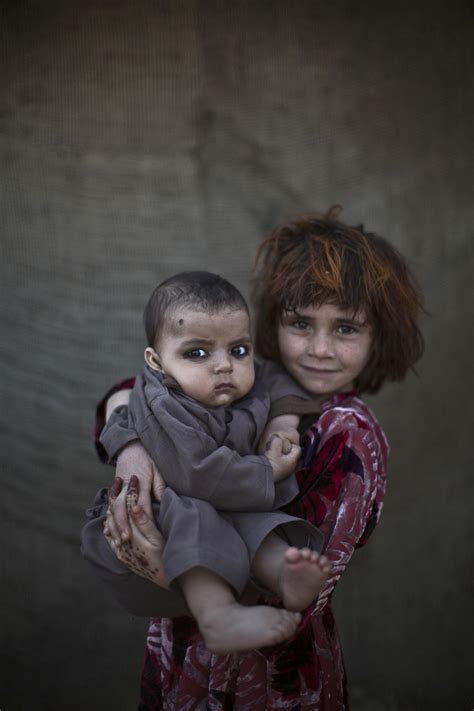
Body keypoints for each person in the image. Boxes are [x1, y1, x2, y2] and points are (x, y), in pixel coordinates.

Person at [82, 208, 423, 709]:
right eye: (301, 323)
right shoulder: (244, 379)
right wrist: (131, 447)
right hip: (181, 657)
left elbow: (293, 603)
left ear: (379, 336)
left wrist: (159, 566)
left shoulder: (347, 434)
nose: (320, 349)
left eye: (346, 329)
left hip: (267, 677)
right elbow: (134, 391)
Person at [99, 271, 331, 654]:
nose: (224, 365)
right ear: (156, 362)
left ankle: (283, 575)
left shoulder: (247, 378)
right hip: (175, 503)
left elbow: (277, 378)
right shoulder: (165, 403)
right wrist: (268, 470)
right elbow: (197, 473)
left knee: (260, 524)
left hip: (230, 496)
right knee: (196, 524)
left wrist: (283, 420)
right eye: (197, 353)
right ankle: (218, 615)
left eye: (238, 350)